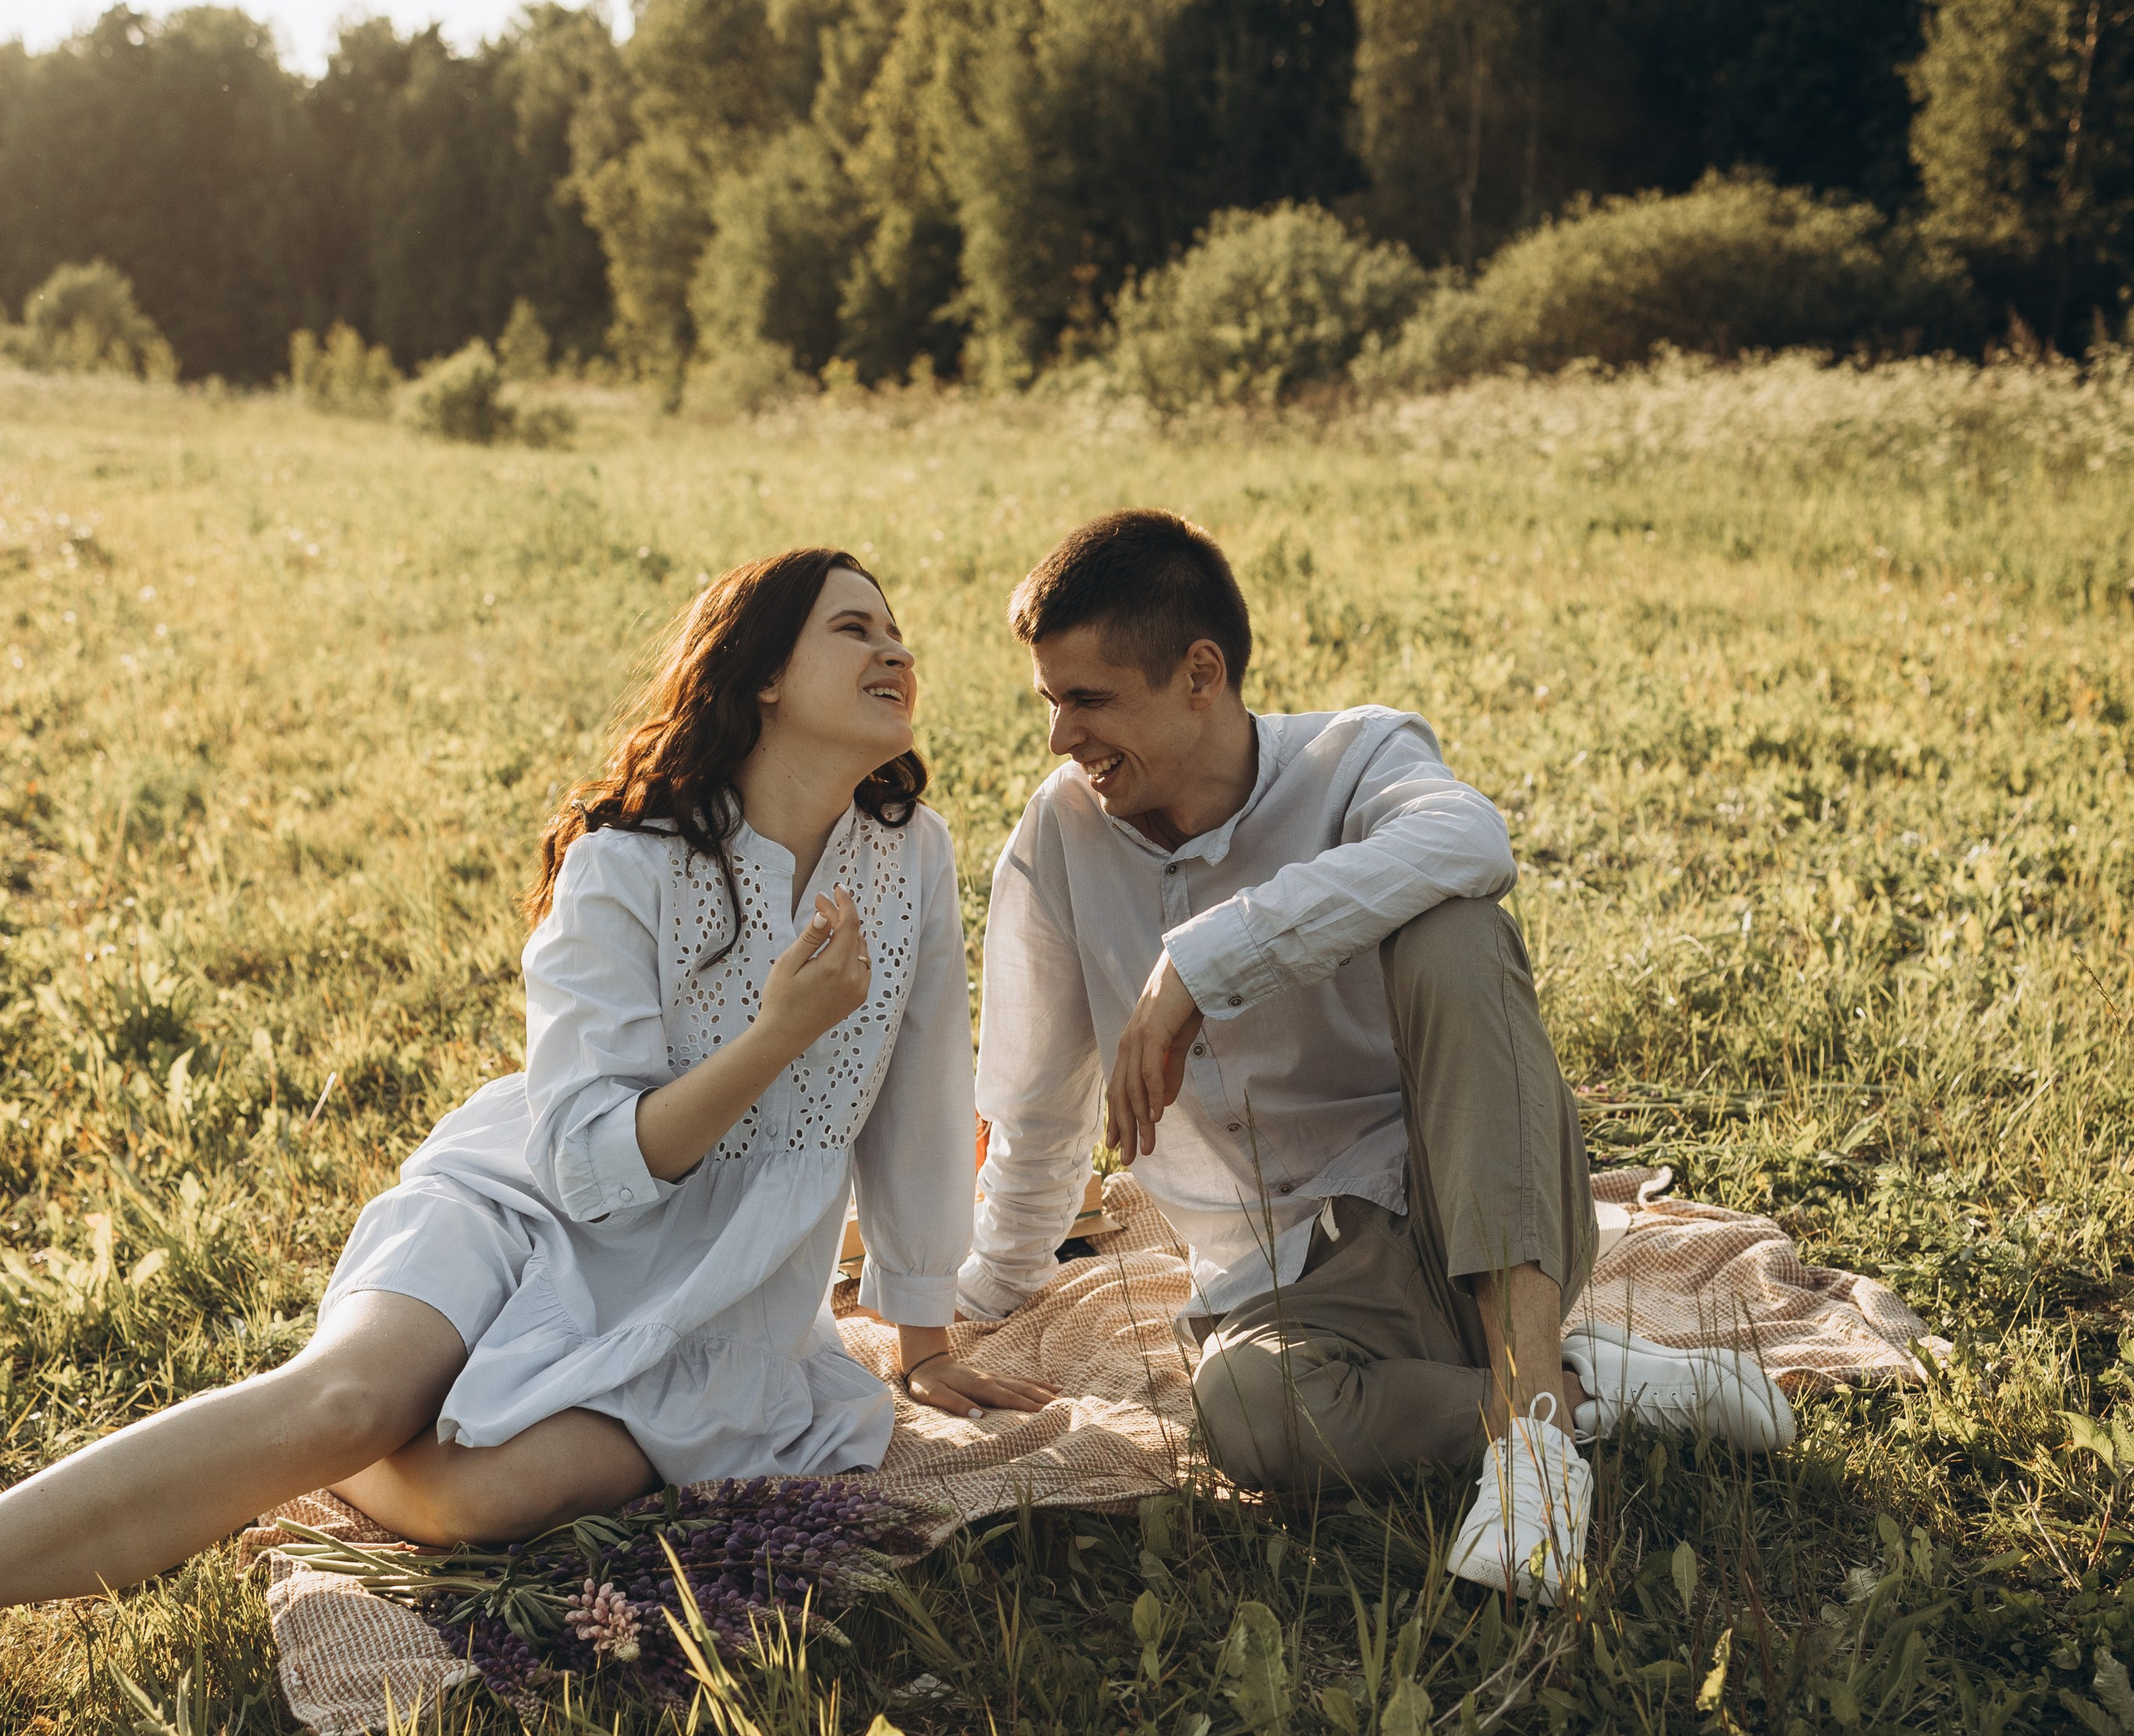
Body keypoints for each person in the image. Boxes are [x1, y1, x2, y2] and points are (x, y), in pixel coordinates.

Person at [0, 546, 1049, 1606]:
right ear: (763, 674)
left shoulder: (908, 850)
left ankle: (307, 1441)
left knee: (490, 1501)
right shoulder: (625, 859)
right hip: (527, 1205)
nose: (895, 648)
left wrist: (922, 1338)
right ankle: (307, 1430)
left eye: (894, 629)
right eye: (853, 629)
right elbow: (588, 1169)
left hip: (724, 1298)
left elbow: (921, 1095)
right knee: (344, 1407)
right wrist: (775, 1037)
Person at [957, 510, 1791, 1599]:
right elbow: (1035, 1116)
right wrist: (975, 1306)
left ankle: (1535, 1452)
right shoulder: (1057, 839)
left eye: (1089, 699)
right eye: (1050, 701)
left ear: (1200, 673)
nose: (1061, 737)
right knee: (1250, 1421)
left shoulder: (1353, 758)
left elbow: (1470, 841)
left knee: (1455, 927)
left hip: (1471, 1216)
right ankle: (1594, 1389)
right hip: (1283, 1286)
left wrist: (1202, 966)